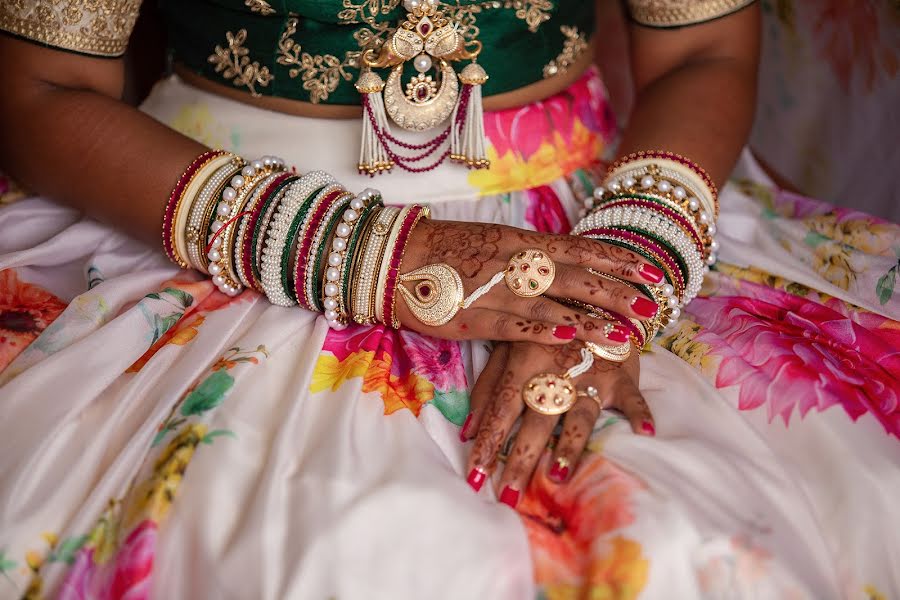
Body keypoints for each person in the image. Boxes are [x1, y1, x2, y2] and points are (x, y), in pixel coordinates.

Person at [0, 1, 897, 598]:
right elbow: (44, 92)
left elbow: (702, 50)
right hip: (206, 205)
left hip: (603, 205)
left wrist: (622, 272)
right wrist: (365, 253)